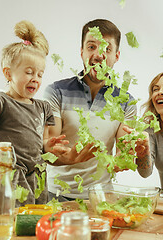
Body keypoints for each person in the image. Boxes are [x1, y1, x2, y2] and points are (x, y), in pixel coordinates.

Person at [0, 20, 68, 211]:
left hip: (35, 180)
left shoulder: (43, 107)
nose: (35, 79)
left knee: (30, 226)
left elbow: (41, 143)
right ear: (8, 73)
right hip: (7, 179)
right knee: (1, 225)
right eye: (29, 72)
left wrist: (48, 146)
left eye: (40, 74)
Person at [43, 19, 140, 201]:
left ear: (116, 56)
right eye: (91, 47)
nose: (98, 55)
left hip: (101, 197)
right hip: (55, 195)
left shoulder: (127, 102)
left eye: (106, 49)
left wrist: (125, 158)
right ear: (82, 52)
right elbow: (49, 148)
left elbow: (123, 152)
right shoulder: (56, 92)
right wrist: (69, 158)